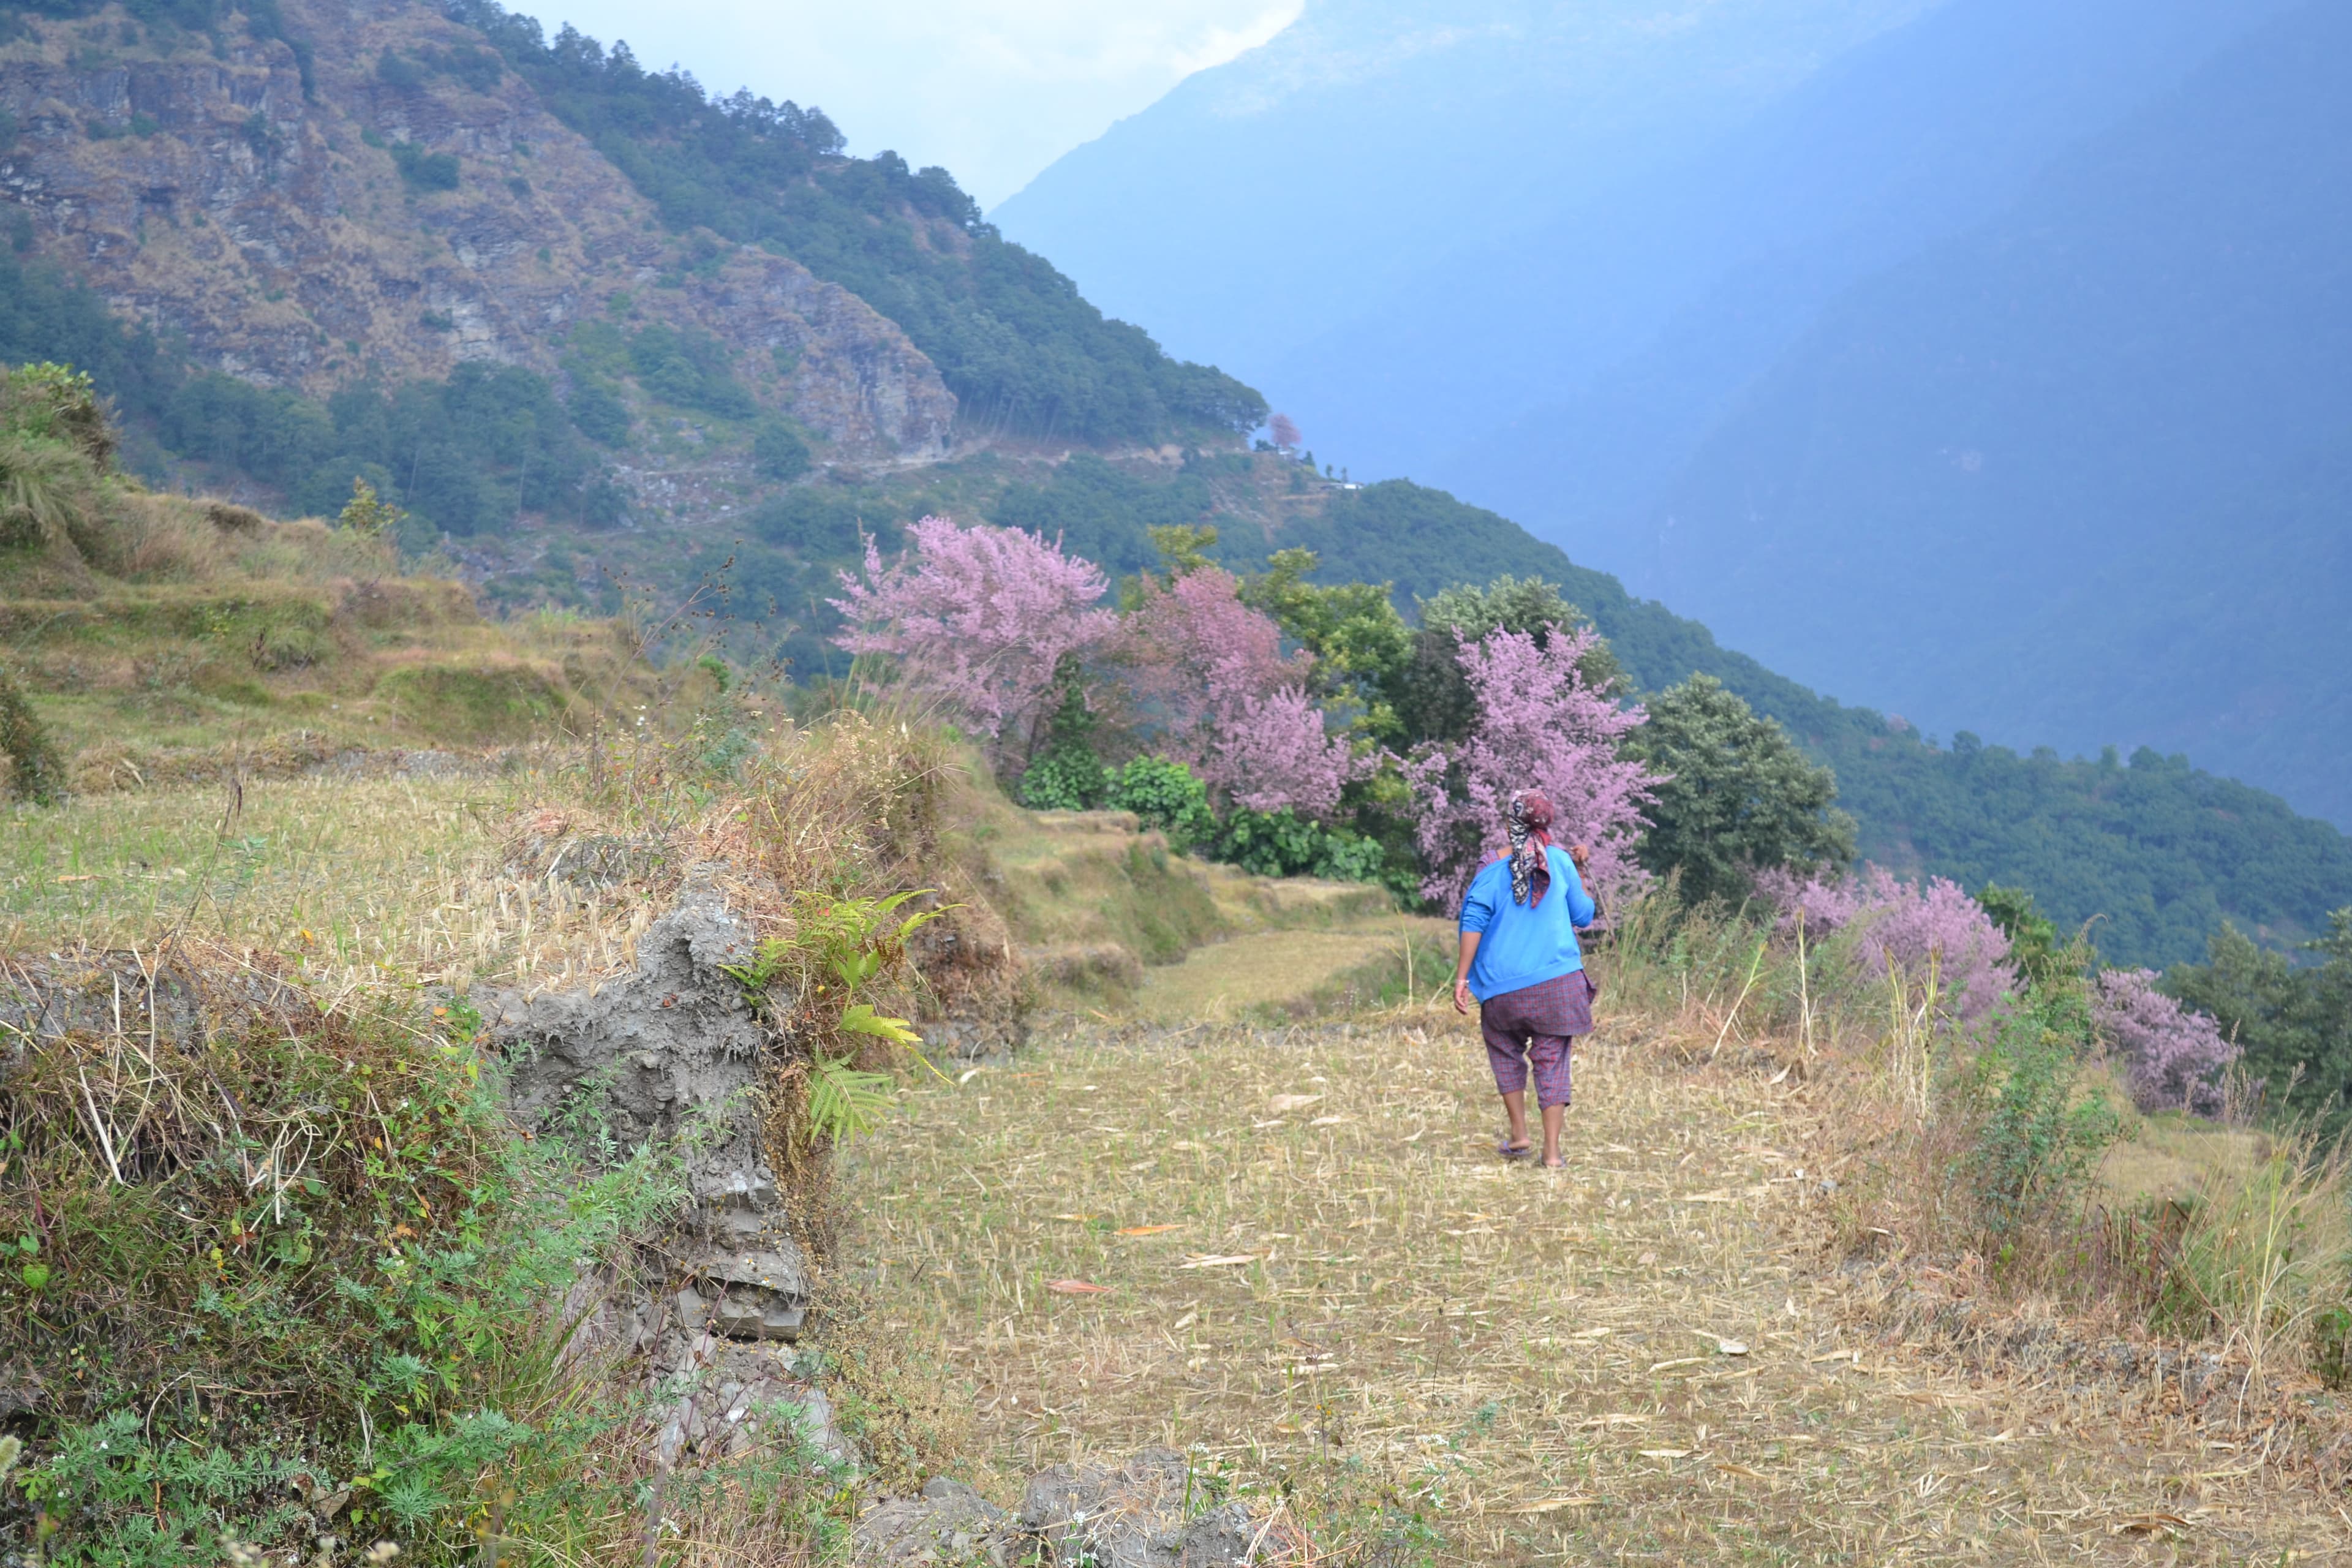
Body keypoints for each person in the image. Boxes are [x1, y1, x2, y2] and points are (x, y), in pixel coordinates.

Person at [1451, 791, 1597, 1168]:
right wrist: (1580, 872)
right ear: (1548, 824)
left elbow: (1472, 921)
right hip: (1558, 985)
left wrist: (1462, 978)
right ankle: (1551, 1154)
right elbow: (1583, 915)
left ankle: (1519, 1135)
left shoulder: (1491, 868)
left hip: (1503, 991)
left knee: (1504, 1049)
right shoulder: (1562, 862)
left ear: (1510, 823)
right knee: (1552, 1061)